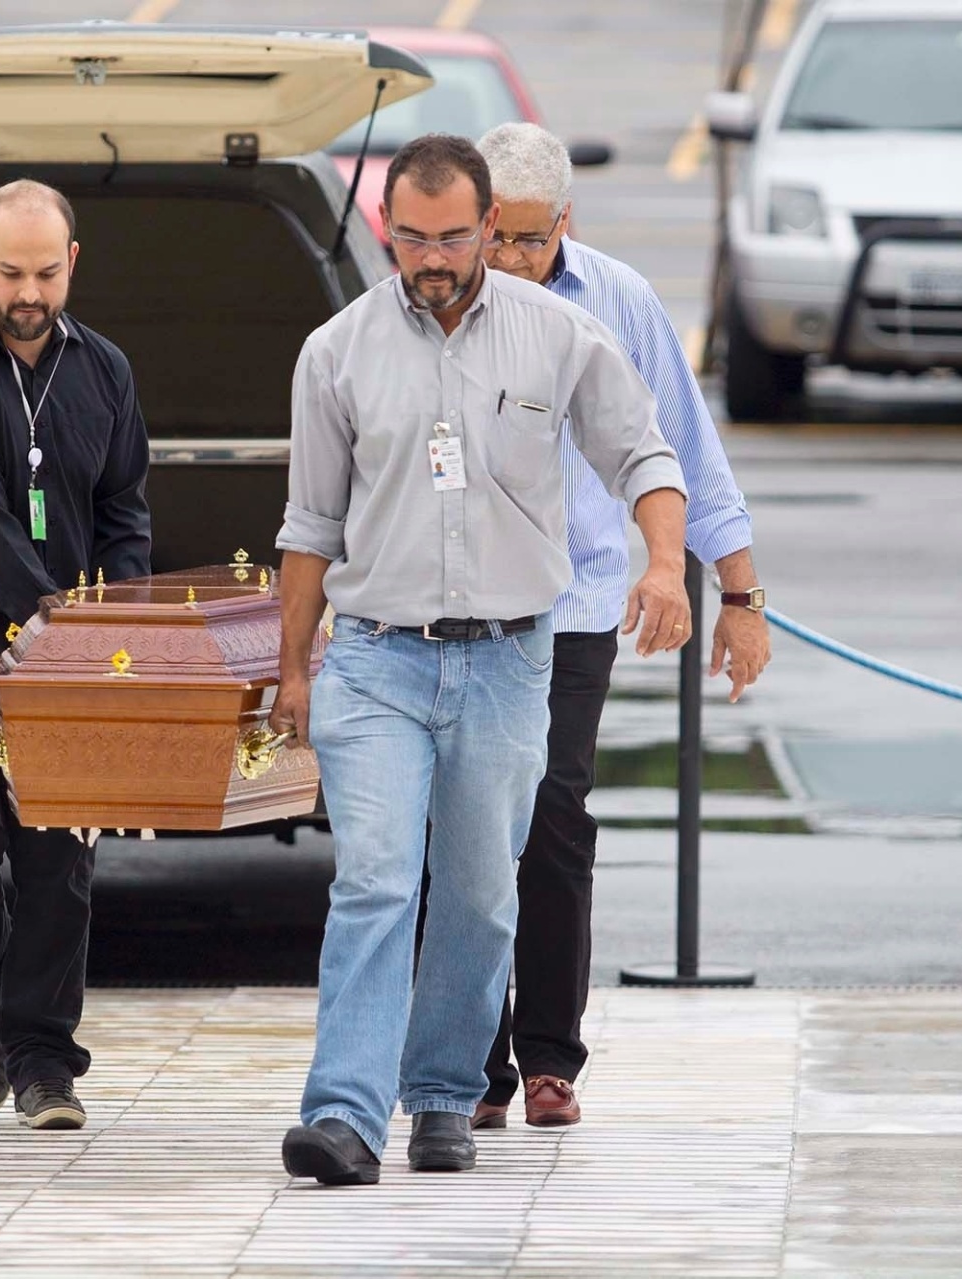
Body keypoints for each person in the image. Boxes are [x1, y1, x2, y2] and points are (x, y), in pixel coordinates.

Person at [271, 134, 692, 1186]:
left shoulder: (562, 336)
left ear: (489, 228)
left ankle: (447, 1094)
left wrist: (669, 566)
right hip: (374, 662)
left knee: (476, 893)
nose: (434, 258)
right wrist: (290, 672)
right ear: (388, 232)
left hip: (509, 662)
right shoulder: (336, 352)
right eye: (412, 238)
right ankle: (343, 1115)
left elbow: (645, 452)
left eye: (455, 237)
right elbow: (309, 525)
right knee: (374, 879)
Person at [468, 123, 772, 1131]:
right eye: (491, 239)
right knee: (463, 829)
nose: (506, 261)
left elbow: (683, 448)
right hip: (458, 612)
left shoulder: (618, 304)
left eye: (526, 240)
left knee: (552, 817)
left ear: (566, 222)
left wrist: (735, 592)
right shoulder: (435, 307)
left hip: (572, 607)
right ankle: (470, 1059)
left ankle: (550, 1055)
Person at [0, 180, 151, 1131]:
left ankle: (43, 1060)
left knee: (60, 859)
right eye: (11, 271)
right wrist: (47, 620)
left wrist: (125, 629)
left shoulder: (105, 370)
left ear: (74, 264)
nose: (29, 293)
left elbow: (124, 510)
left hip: (76, 664)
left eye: (47, 272)